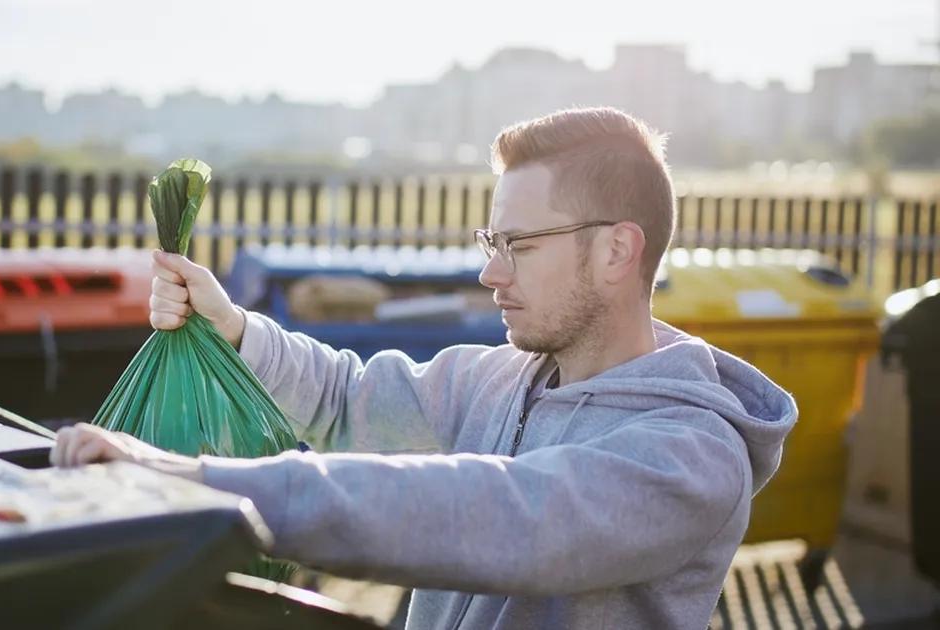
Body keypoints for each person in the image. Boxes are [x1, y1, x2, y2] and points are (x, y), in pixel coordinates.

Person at [51, 106, 798, 629]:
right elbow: (347, 397)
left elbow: (502, 516)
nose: (491, 276)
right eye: (490, 243)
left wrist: (197, 485)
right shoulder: (498, 378)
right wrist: (233, 324)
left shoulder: (691, 456)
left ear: (615, 250)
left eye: (520, 247)